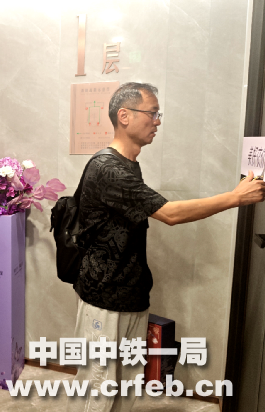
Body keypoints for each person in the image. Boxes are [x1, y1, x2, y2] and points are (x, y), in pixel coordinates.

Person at [67, 82, 265, 412]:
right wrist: (234, 198)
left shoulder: (128, 164)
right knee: (98, 388)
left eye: (159, 114)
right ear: (124, 116)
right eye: (152, 113)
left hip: (130, 294)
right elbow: (169, 214)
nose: (157, 121)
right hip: (104, 298)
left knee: (125, 385)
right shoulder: (108, 168)